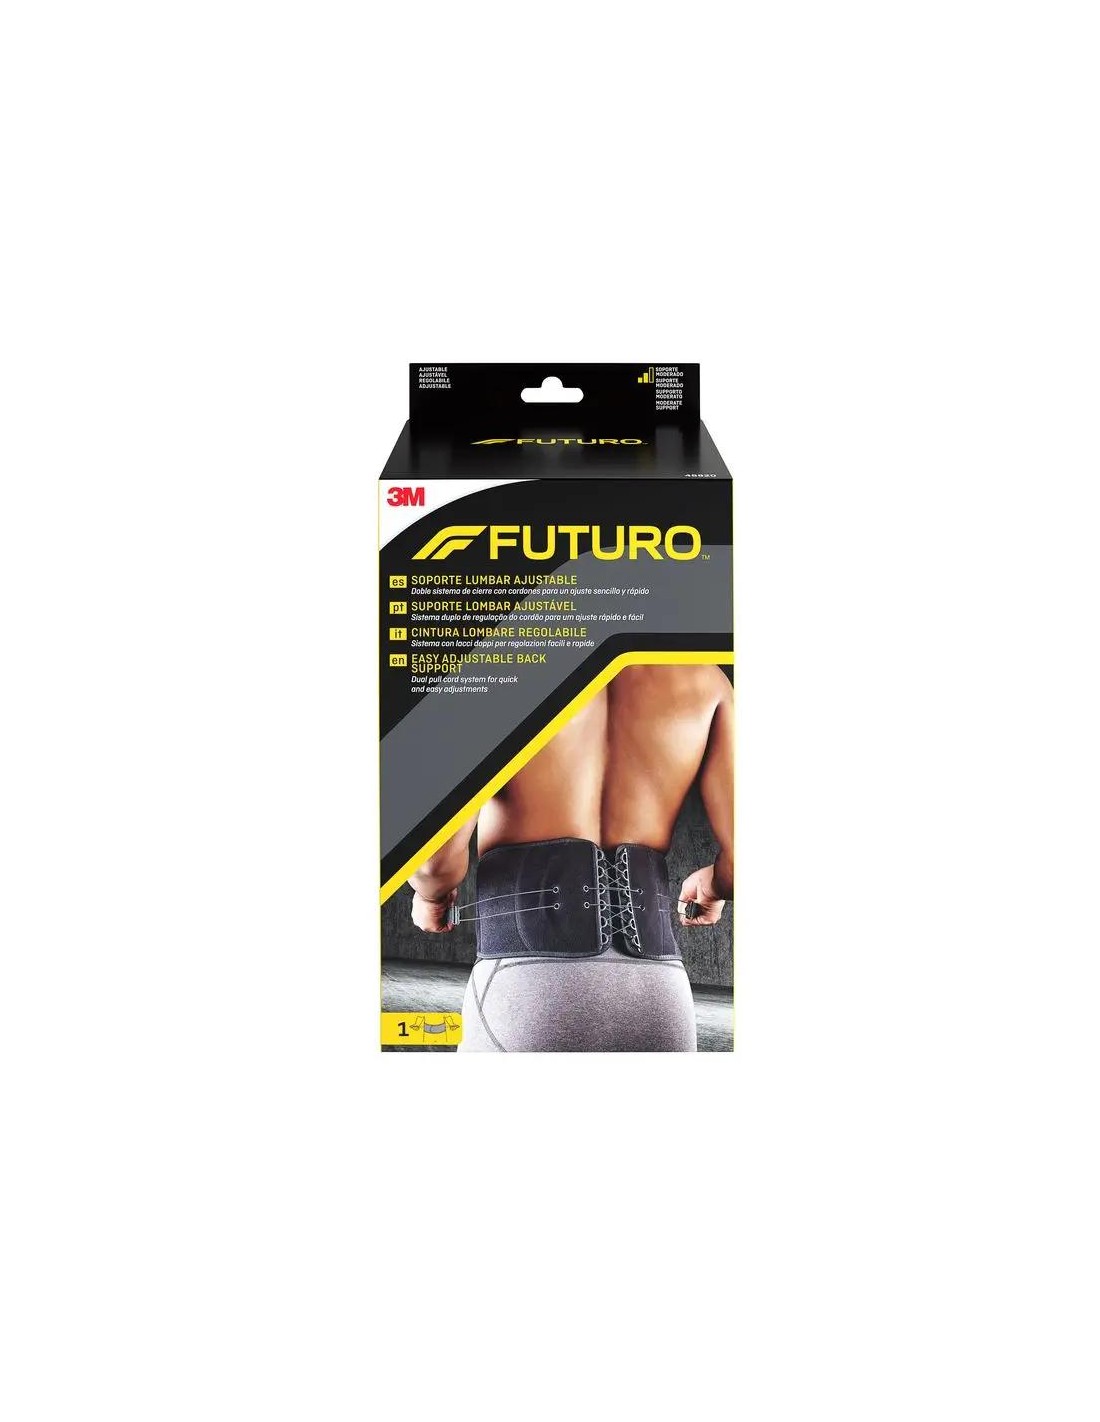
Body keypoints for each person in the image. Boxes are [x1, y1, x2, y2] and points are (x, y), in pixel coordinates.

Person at [407, 665, 733, 1051]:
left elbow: (434, 861)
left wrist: (430, 897)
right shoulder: (706, 679)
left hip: (528, 992)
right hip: (660, 1000)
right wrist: (714, 886)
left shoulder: (496, 673)